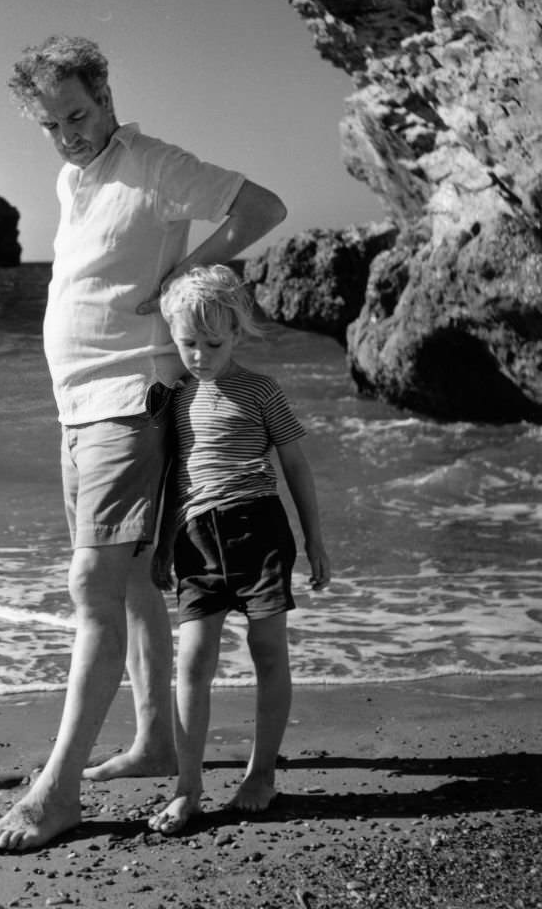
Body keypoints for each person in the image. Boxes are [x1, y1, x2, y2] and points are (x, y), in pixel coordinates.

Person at [0, 36, 287, 852]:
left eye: (78, 115)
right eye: (51, 125)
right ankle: (155, 741)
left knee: (93, 581)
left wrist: (183, 275)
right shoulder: (71, 175)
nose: (69, 135)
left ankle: (59, 789)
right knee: (131, 582)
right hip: (78, 406)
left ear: (106, 94)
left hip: (128, 400)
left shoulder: (154, 163)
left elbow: (260, 208)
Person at [146, 264, 331, 836]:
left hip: (259, 533)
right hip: (197, 540)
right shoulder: (176, 397)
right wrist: (162, 543)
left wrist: (314, 540)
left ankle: (261, 773)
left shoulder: (261, 390)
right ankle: (188, 787)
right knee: (192, 662)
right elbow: (174, 474)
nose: (199, 355)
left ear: (237, 332)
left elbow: (295, 465)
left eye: (213, 343)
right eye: (187, 344)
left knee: (267, 651)